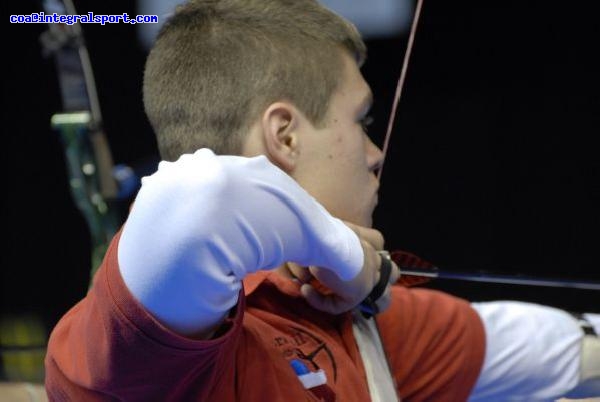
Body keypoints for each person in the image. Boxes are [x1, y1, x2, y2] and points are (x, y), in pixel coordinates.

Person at [45, 0, 599, 400]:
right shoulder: (140, 339)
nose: (376, 152)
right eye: (361, 122)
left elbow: (562, 347)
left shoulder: (364, 319)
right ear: (284, 136)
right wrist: (354, 262)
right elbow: (203, 199)